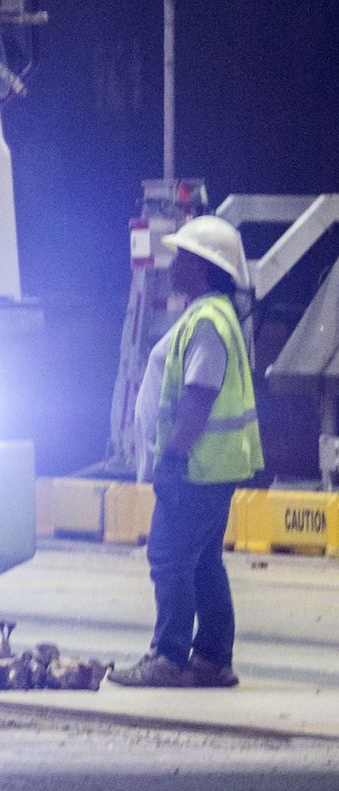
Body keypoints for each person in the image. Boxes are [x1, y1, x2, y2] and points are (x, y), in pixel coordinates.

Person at [117, 213, 260, 687]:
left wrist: (173, 457)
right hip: (210, 468)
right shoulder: (210, 315)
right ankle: (213, 658)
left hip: (196, 468)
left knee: (169, 556)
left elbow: (198, 396)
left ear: (201, 266)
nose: (172, 264)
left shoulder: (206, 322)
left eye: (180, 256)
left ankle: (169, 656)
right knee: (201, 561)